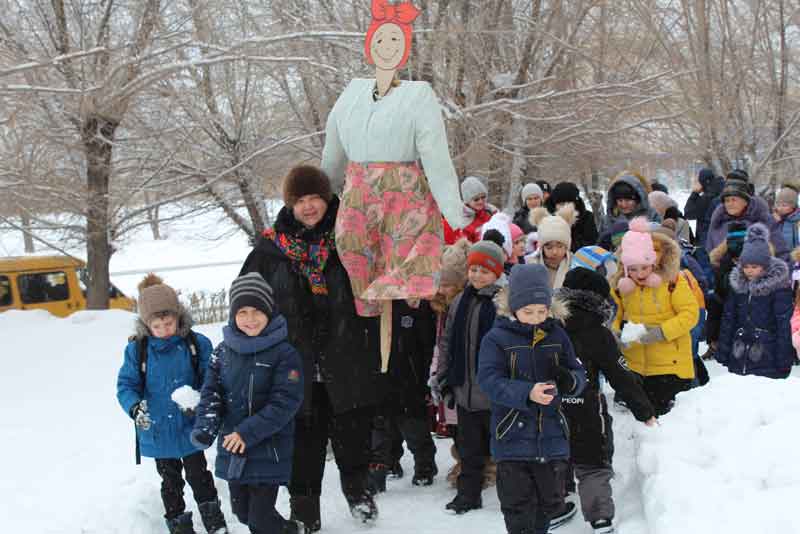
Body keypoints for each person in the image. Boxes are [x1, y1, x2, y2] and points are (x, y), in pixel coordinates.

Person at [239, 166, 381, 530]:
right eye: (299, 200)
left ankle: (358, 493)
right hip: (294, 364)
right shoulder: (270, 251)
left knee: (352, 433)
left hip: (347, 353)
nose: (308, 207)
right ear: (289, 204)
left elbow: (381, 280)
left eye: (314, 198)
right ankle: (304, 509)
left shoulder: (349, 238)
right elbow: (246, 303)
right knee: (303, 442)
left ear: (328, 198)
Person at [191, 273, 305, 534]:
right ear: (233, 315)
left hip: (269, 448)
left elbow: (286, 402)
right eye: (242, 311)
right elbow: (212, 393)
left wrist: (248, 431)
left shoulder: (284, 353)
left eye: (257, 311)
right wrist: (205, 427)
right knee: (242, 513)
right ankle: (290, 530)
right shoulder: (222, 351)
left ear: (269, 312)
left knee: (259, 520)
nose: (250, 318)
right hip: (235, 450)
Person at [477, 263, 587, 534]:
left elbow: (577, 371)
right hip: (512, 437)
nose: (536, 318)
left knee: (546, 507)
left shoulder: (557, 334)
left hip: (551, 438)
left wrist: (570, 381)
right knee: (518, 508)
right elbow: (489, 381)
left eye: (542, 311)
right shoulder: (496, 339)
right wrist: (526, 392)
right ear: (513, 309)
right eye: (528, 312)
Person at [116, 275, 226, 534]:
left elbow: (210, 378)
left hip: (190, 426)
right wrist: (134, 408)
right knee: (170, 481)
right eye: (158, 325)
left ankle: (215, 521)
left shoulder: (196, 344)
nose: (165, 329)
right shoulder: (137, 351)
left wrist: (199, 398)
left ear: (179, 317)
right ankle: (178, 525)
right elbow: (126, 385)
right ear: (146, 325)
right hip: (158, 429)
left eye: (169, 323)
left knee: (200, 476)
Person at [556, 268, 656, 534]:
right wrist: (643, 410)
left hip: (549, 404)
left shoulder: (548, 326)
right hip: (585, 405)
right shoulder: (599, 333)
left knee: (553, 453)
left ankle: (554, 503)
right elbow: (619, 374)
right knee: (592, 459)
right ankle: (599, 516)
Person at [431, 240, 506, 514]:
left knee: (503, 447)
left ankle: (513, 495)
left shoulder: (502, 302)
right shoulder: (461, 300)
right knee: (469, 448)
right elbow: (447, 340)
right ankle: (468, 494)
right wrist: (443, 376)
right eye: (473, 269)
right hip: (464, 389)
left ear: (497, 273)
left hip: (495, 392)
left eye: (484, 271)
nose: (476, 275)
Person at [610, 218, 698, 416]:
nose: (639, 274)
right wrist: (614, 331)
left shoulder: (673, 282)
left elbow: (690, 314)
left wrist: (662, 332)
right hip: (634, 364)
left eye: (644, 267)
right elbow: (615, 313)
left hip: (669, 366)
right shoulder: (621, 286)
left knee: (666, 424)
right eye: (632, 269)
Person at [369, 299, 438, 492]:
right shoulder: (374, 301)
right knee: (380, 424)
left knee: (413, 423)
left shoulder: (415, 302)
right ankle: (382, 467)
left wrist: (423, 375)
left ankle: (425, 465)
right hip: (379, 374)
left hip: (409, 374)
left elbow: (426, 343)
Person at [717, 224, 794, 379]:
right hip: (739, 354)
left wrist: (784, 360)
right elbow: (728, 319)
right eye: (745, 266)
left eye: (754, 266)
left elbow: (784, 326)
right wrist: (723, 351)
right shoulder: (738, 287)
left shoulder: (778, 288)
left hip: (767, 354)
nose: (749, 270)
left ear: (765, 266)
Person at [706, 171, 787, 258]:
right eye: (727, 200)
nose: (730, 204)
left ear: (745, 201)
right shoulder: (718, 223)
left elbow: (782, 254)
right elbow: (707, 255)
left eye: (734, 200)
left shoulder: (764, 220)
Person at [704, 221, 748, 360]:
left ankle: (719, 344)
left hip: (741, 293)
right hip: (724, 293)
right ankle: (715, 344)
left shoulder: (750, 253)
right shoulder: (724, 254)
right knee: (716, 308)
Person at [525, 204, 575, 288]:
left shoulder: (575, 265)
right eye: (549, 247)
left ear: (567, 246)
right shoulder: (531, 267)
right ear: (542, 247)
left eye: (560, 246)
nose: (554, 252)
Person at [444, 176, 499, 244]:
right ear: (467, 201)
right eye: (476, 199)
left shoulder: (491, 211)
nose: (481, 201)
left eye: (483, 197)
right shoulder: (462, 221)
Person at [545, 181, 599, 251]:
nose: (565, 207)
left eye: (569, 203)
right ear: (555, 205)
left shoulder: (587, 217)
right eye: (561, 204)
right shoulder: (548, 220)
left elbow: (592, 243)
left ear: (575, 203)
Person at [684, 168, 723, 250]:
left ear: (703, 181)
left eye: (697, 181)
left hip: (708, 241)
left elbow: (688, 213)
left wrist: (694, 193)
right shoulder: (720, 190)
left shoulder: (709, 195)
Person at [773, 184, 800, 251]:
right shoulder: (772, 219)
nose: (780, 208)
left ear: (793, 206)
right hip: (777, 258)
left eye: (784, 205)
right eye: (778, 204)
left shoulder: (797, 221)